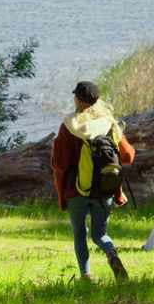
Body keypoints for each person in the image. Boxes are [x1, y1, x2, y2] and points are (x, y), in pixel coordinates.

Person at [50, 81, 135, 282]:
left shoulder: (69, 126)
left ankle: (86, 275)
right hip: (104, 190)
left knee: (80, 234)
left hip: (76, 191)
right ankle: (112, 254)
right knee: (100, 235)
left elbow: (59, 164)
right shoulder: (109, 123)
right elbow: (129, 156)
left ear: (78, 100)